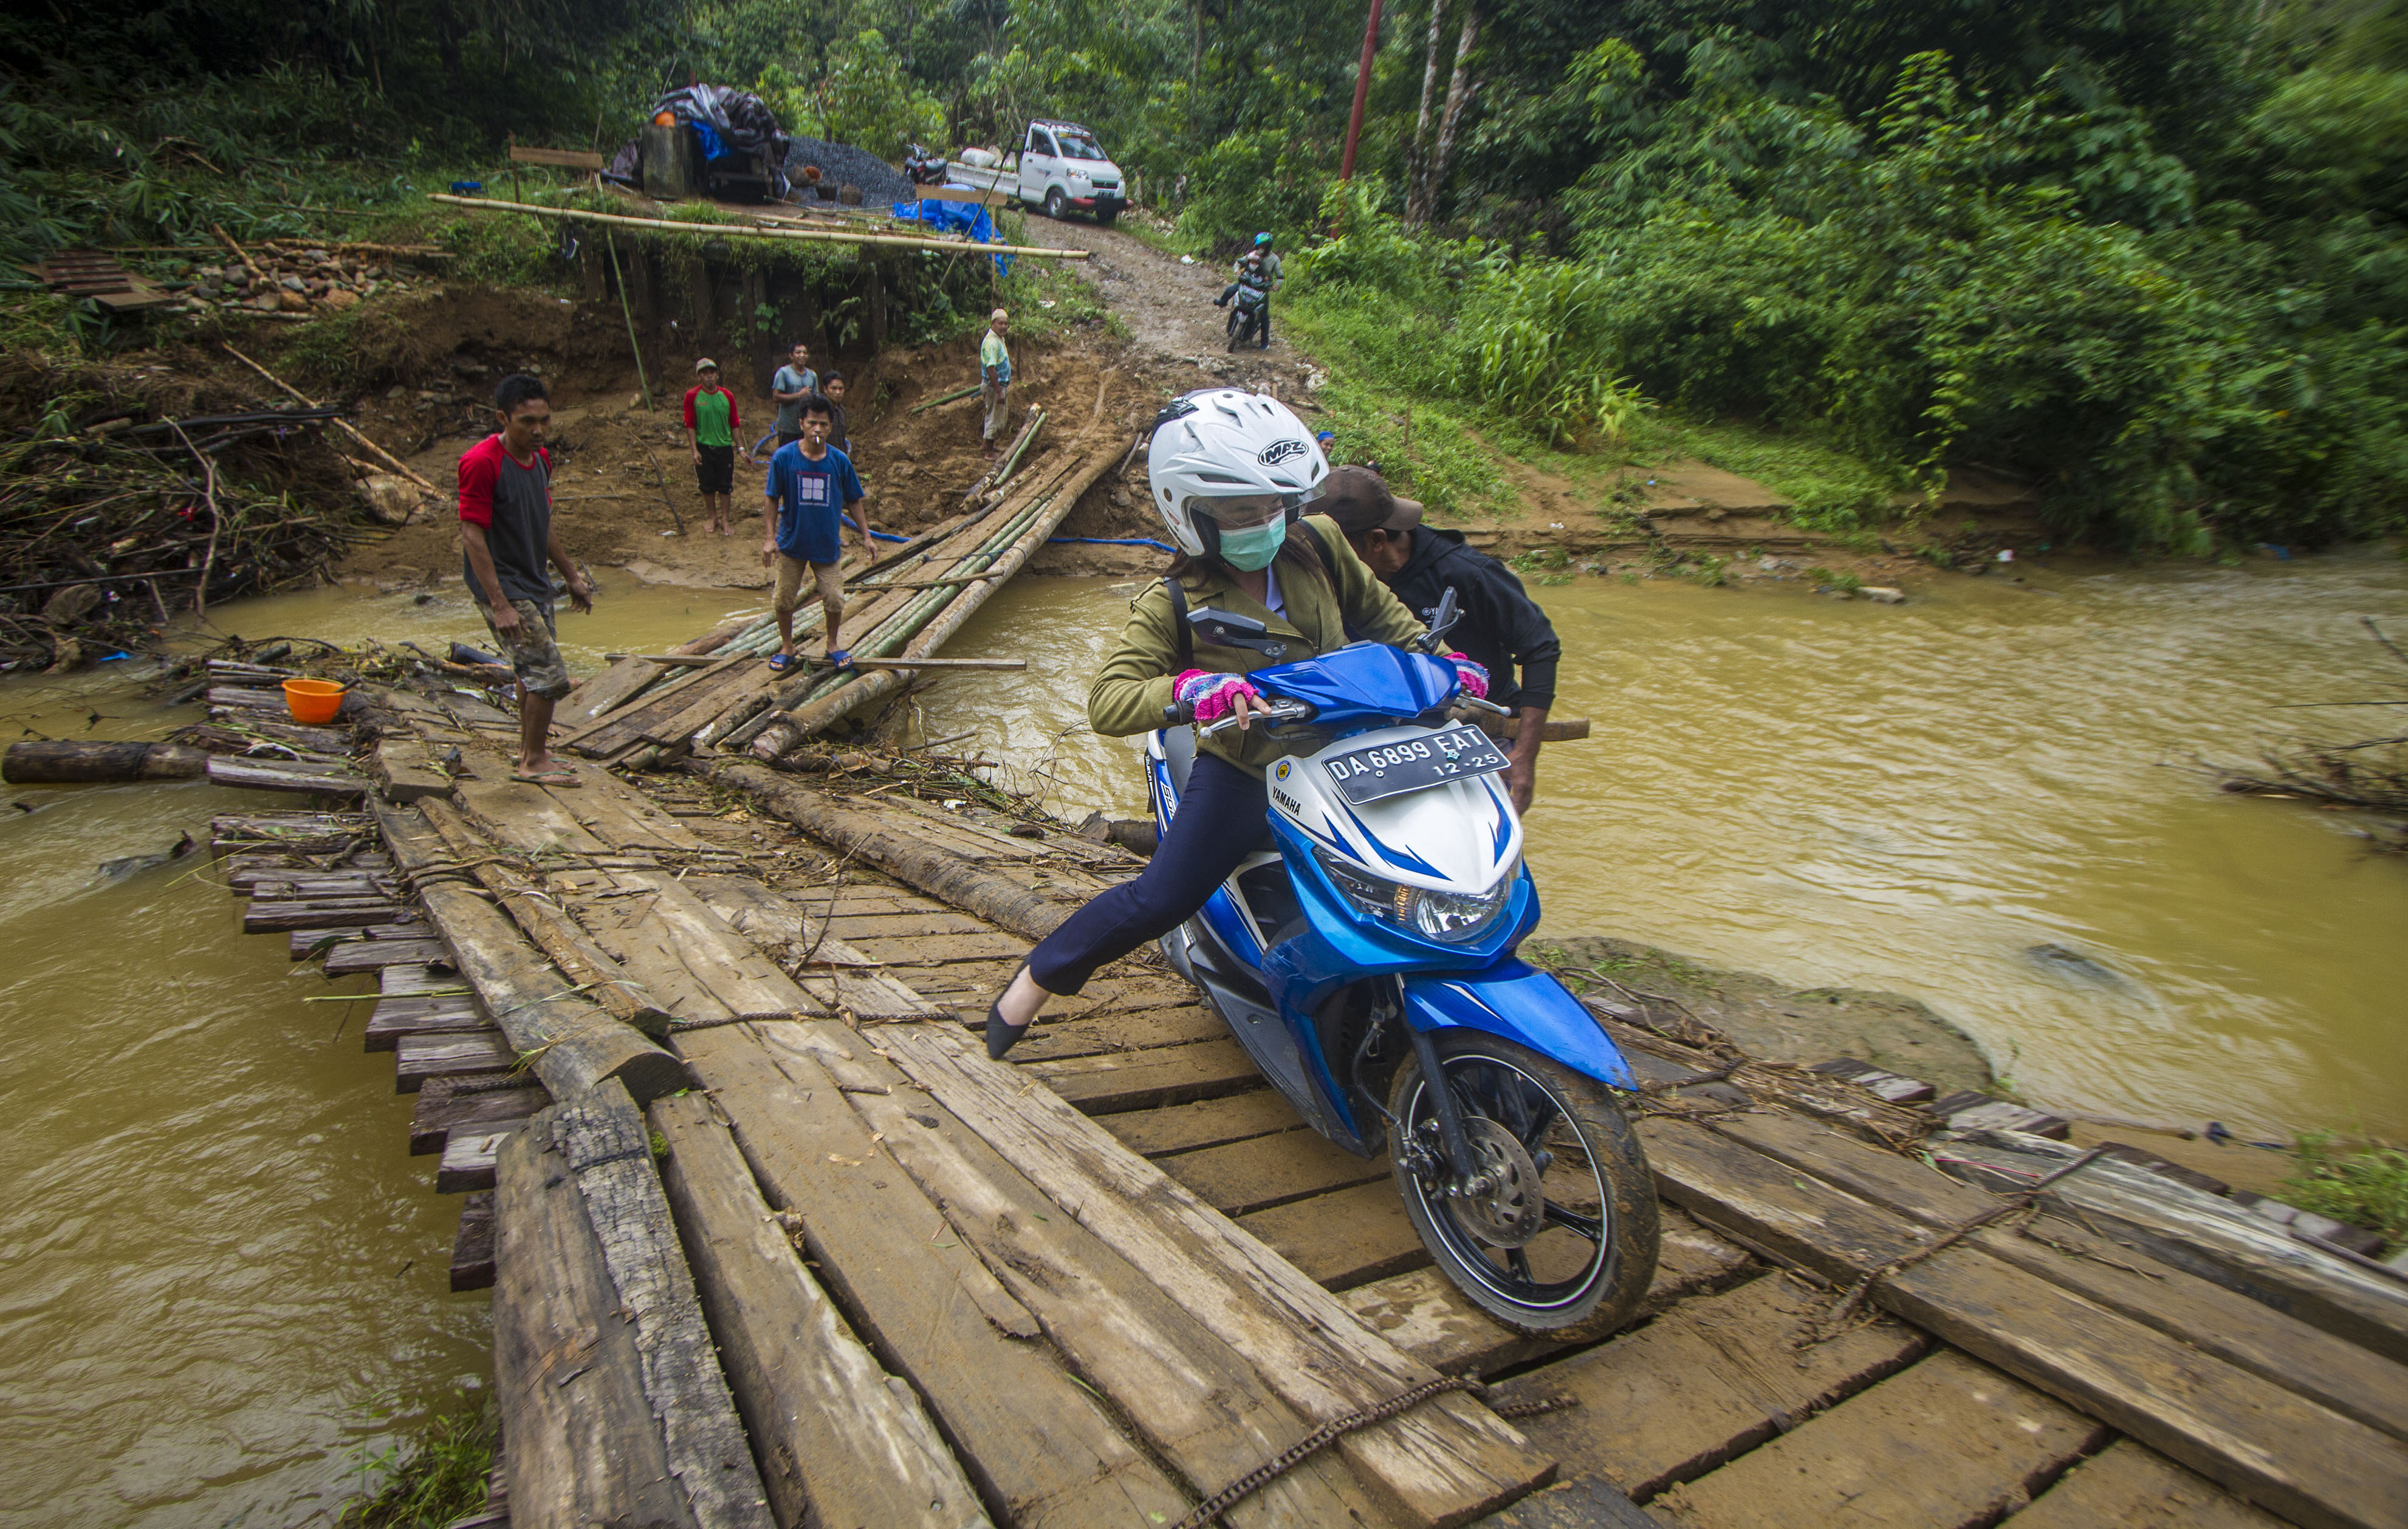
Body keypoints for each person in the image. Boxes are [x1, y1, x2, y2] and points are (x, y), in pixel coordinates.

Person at [981, 389, 1489, 1059]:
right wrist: (1196, 689)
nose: (1267, 521)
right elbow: (1109, 699)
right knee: (1159, 896)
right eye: (1244, 510)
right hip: (1249, 770)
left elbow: (1386, 617)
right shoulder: (1170, 601)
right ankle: (1038, 978)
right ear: (1191, 514)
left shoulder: (1320, 543)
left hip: (1349, 758)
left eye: (1275, 504)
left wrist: (1446, 661)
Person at [1322, 465, 1561, 814]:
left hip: (1474, 733)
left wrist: (1525, 756)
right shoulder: (1329, 580)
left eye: (1334, 552)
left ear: (1376, 541)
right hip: (1381, 737)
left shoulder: (1468, 573)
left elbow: (1541, 647)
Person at [458, 373, 594, 788]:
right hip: (502, 583)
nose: (537, 431)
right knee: (549, 676)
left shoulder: (541, 460)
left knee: (528, 672)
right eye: (526, 422)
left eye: (544, 421)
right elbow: (471, 534)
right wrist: (499, 603)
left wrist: (570, 575)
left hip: (534, 580)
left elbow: (543, 521)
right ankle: (532, 762)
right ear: (503, 417)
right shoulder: (481, 463)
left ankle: (530, 750)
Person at [761, 393, 873, 674]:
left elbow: (854, 500)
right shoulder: (783, 458)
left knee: (835, 599)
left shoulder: (839, 461)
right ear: (801, 423)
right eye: (812, 423)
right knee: (783, 598)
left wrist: (867, 536)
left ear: (830, 426)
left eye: (823, 424)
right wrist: (769, 538)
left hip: (826, 544)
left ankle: (833, 644)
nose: (817, 430)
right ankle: (787, 646)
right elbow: (772, 497)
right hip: (792, 542)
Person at [683, 358, 741, 536]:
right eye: (704, 373)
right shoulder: (692, 396)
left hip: (724, 447)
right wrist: (694, 450)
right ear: (699, 376)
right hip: (704, 447)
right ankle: (713, 517)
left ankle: (725, 518)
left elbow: (735, 423)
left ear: (717, 374)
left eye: (712, 373)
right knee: (707, 485)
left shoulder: (727, 396)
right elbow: (690, 424)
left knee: (725, 485)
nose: (709, 377)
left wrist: (741, 448)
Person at [770, 340, 817, 452]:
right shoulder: (784, 373)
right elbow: (776, 397)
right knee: (787, 458)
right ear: (791, 355)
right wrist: (798, 395)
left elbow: (816, 398)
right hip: (788, 427)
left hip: (806, 427)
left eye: (805, 353)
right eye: (798, 352)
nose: (802, 355)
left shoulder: (812, 375)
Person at [978, 308, 1012, 459]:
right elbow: (991, 368)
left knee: (992, 414)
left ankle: (987, 444)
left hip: (996, 385)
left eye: (1006, 323)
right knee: (995, 417)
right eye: (1001, 323)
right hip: (994, 387)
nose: (1004, 326)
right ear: (993, 323)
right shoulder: (992, 342)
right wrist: (999, 391)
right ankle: (989, 452)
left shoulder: (998, 338)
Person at [820, 370, 851, 455]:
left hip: (839, 457)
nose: (838, 392)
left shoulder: (842, 411)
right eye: (834, 388)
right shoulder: (820, 410)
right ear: (825, 389)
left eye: (841, 389)